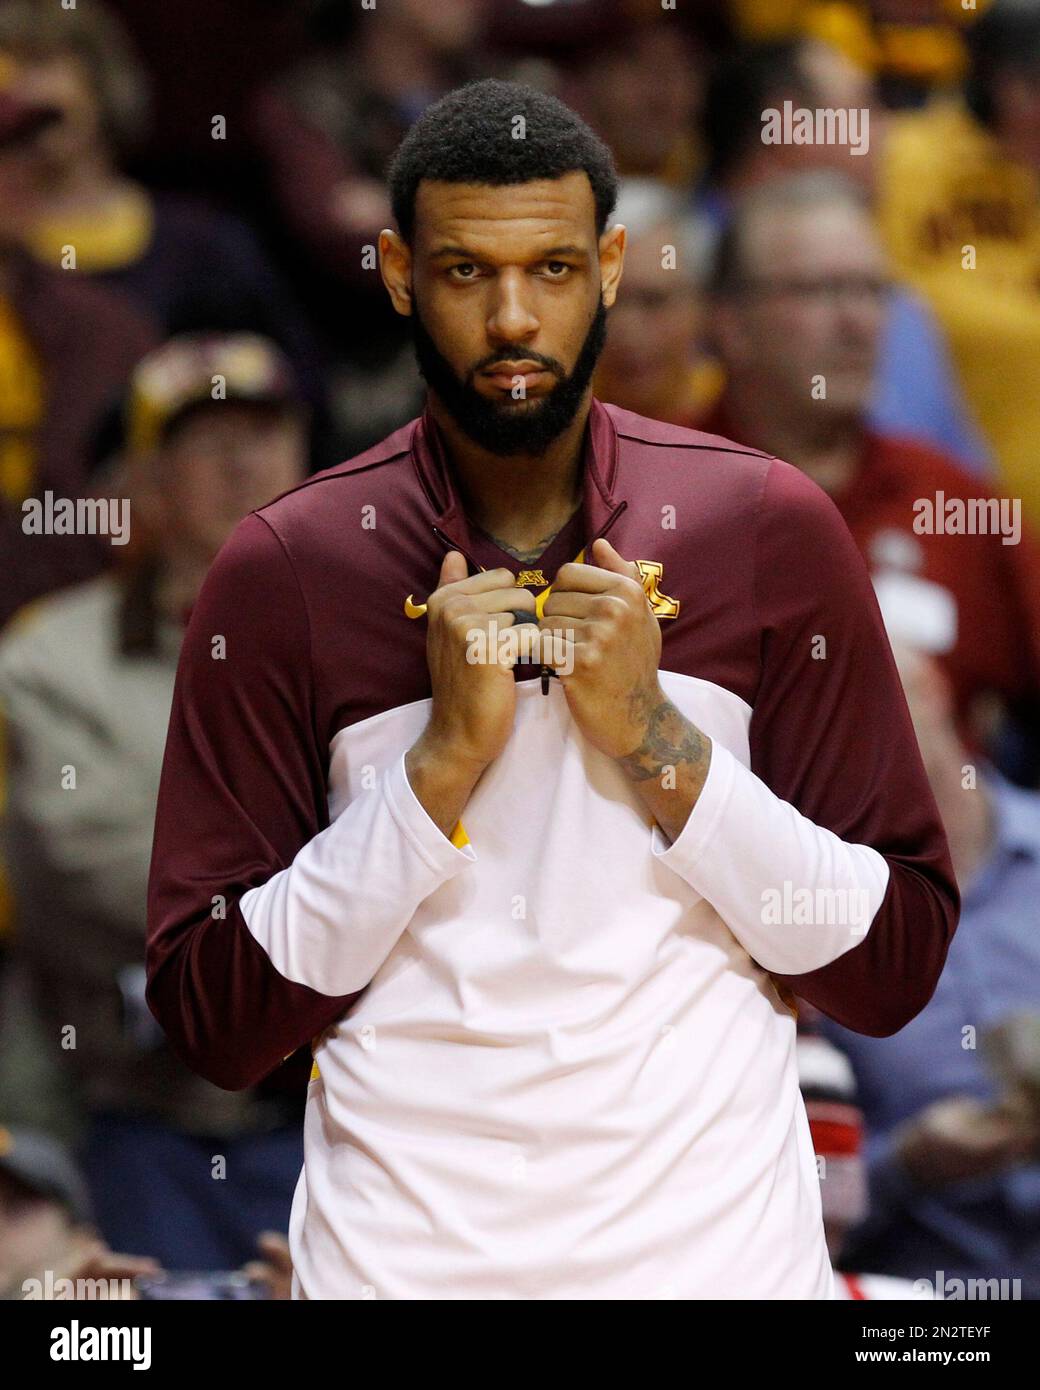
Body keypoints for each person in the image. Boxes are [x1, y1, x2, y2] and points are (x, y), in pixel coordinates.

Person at [146, 79, 958, 1300]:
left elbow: (890, 961)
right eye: (467, 272)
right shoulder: (286, 570)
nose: (514, 318)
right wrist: (427, 782)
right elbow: (215, 1018)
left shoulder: (762, 526)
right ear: (398, 272)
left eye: (554, 269)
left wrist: (657, 743)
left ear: (613, 267)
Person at [0, 335, 310, 1269]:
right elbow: (89, 869)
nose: (243, 464)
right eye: (207, 440)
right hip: (134, 1112)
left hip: (337, 1100)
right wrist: (327, 888)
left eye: (264, 435)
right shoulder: (53, 658)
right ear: (145, 480)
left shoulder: (379, 640)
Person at [700, 170, 1040, 784]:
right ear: (730, 324)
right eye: (819, 291)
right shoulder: (654, 492)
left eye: (871, 290)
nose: (857, 323)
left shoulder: (951, 497)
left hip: (937, 866)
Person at [819, 642, 1040, 1300]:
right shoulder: (819, 928)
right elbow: (802, 1203)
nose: (869, 734)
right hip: (930, 1304)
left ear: (936, 689)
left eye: (885, 699)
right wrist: (909, 1164)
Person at [877, 0, 1040, 523]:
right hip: (959, 512)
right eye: (1031, 85)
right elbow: (894, 314)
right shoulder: (908, 156)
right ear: (993, 83)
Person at [0, 80, 156, 629]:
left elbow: (114, 517)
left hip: (66, 650)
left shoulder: (105, 330)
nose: (20, 171)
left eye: (23, 149)